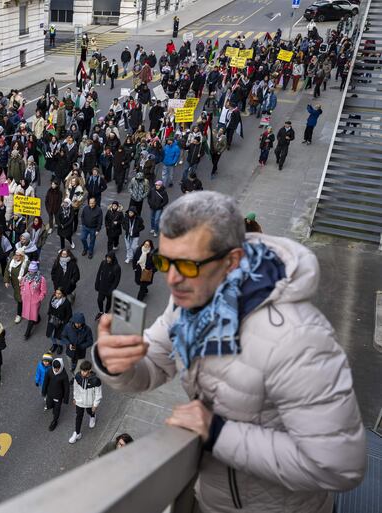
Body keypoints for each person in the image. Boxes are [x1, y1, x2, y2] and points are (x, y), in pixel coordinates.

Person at [93, 191, 366, 513]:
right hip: (211, 494)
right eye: (165, 262)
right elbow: (155, 362)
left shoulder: (299, 339)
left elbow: (339, 466)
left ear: (232, 261)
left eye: (188, 265)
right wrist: (114, 363)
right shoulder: (193, 295)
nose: (172, 279)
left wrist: (219, 432)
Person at [69, 360, 102, 444]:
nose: (82, 373)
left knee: (89, 411)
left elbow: (98, 394)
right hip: (80, 402)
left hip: (90, 402)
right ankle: (77, 433)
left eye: (85, 371)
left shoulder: (96, 380)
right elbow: (75, 388)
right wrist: (75, 398)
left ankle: (92, 416)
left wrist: (95, 405)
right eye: (81, 371)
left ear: (89, 370)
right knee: (79, 416)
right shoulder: (77, 377)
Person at [20, 261, 47, 339]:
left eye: (33, 270)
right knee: (33, 314)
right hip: (26, 300)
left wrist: (39, 299)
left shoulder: (41, 279)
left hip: (34, 301)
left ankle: (27, 333)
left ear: (36, 270)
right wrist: (22, 293)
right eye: (30, 270)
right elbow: (21, 285)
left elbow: (43, 291)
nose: (31, 272)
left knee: (31, 317)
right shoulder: (25, 277)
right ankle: (38, 318)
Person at [42, 358, 69, 431]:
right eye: (55, 368)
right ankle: (50, 407)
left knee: (56, 410)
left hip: (58, 396)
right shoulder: (49, 371)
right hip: (50, 393)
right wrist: (43, 391)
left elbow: (67, 388)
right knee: (49, 404)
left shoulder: (64, 375)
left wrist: (65, 399)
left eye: (58, 368)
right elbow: (45, 381)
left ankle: (54, 421)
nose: (56, 370)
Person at [4, 249, 28, 324]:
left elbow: (30, 274)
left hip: (23, 284)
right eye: (15, 255)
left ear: (22, 256)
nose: (16, 257)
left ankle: (19, 315)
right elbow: (7, 270)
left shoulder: (26, 264)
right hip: (14, 283)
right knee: (20, 297)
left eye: (18, 255)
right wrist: (6, 281)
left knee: (19, 298)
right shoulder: (12, 261)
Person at [94, 251, 121, 319]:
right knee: (99, 300)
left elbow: (116, 281)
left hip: (109, 289)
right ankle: (101, 312)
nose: (108, 259)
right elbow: (99, 273)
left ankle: (106, 312)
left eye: (109, 258)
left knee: (109, 301)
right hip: (102, 286)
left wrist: (112, 290)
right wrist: (97, 283)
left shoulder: (117, 267)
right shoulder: (103, 263)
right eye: (107, 257)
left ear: (113, 258)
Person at [46, 288, 73, 354]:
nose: (57, 295)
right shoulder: (53, 298)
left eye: (59, 293)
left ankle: (60, 346)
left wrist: (64, 322)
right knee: (51, 334)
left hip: (61, 322)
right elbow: (50, 307)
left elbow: (69, 314)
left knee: (60, 336)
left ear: (63, 294)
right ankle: (54, 344)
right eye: (56, 293)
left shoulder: (66, 303)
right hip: (52, 319)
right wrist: (49, 315)